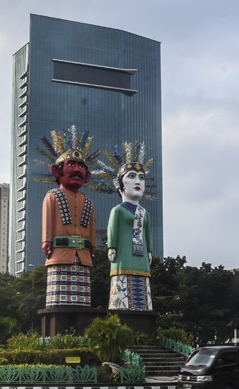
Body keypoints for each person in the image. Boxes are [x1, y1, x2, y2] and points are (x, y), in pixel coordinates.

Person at [40, 126, 98, 308]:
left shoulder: (87, 200)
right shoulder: (52, 196)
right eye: (71, 165)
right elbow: (48, 222)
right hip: (60, 254)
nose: (78, 170)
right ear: (58, 171)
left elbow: (92, 229)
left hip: (83, 256)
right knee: (59, 301)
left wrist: (93, 246)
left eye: (81, 166)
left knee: (83, 299)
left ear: (87, 175)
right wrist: (46, 241)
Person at [106, 143, 154, 311]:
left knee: (143, 283)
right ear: (120, 184)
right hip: (123, 254)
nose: (137, 181)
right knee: (122, 282)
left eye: (141, 178)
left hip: (141, 255)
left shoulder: (144, 212)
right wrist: (111, 246)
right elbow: (112, 229)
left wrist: (149, 251)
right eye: (132, 176)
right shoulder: (118, 210)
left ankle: (143, 309)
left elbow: (148, 234)